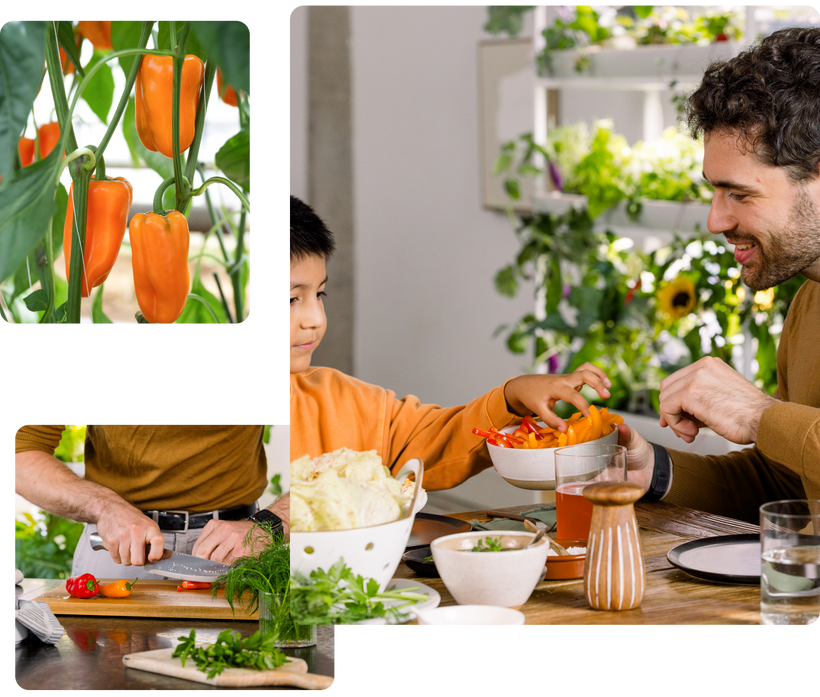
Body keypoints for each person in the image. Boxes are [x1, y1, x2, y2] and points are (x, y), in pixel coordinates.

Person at [286, 195, 643, 491]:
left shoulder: (346, 402)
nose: (315, 318)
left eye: (320, 293)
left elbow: (438, 440)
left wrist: (512, 396)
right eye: (290, 300)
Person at [618, 26, 820, 523]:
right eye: (713, 191)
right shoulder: (809, 304)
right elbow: (794, 484)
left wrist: (759, 414)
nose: (716, 221)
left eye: (740, 194)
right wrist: (656, 470)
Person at [12, 423, 290, 580]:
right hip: (117, 552)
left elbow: (333, 463)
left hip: (238, 552)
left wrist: (270, 525)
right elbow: (19, 452)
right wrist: (104, 507)